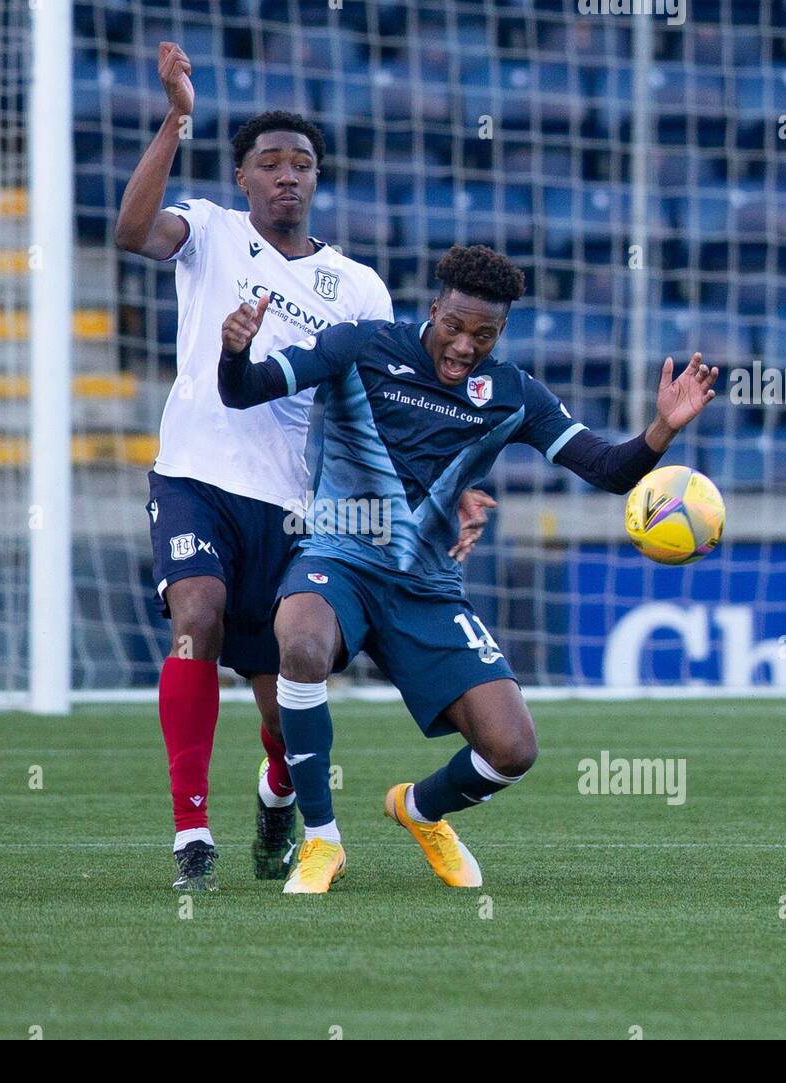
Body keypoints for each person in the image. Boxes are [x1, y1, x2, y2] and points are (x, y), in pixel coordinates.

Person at [217, 244, 718, 893]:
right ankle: (321, 840)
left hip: (428, 589)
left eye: (483, 335)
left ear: (501, 334)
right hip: (338, 559)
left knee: (513, 749)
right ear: (433, 310)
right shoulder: (358, 347)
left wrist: (659, 430)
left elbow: (606, 468)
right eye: (454, 326)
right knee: (303, 643)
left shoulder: (511, 394)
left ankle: (419, 810)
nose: (463, 345)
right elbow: (244, 391)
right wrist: (235, 352)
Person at [115, 43, 494, 890]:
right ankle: (190, 835)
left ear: (318, 179)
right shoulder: (209, 233)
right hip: (195, 477)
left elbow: (393, 408)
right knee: (196, 615)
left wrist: (452, 487)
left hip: (297, 506)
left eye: (304, 164)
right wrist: (178, 116)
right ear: (244, 178)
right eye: (271, 163)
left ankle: (278, 795)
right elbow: (132, 231)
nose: (289, 176)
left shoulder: (356, 286)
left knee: (289, 692)